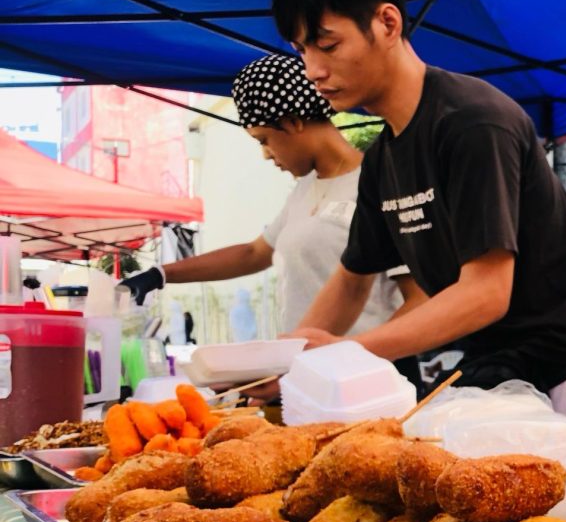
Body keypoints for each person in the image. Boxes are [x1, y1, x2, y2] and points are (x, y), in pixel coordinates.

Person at [271, 0, 566, 487]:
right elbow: (353, 280)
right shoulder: (382, 158)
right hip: (493, 378)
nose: (313, 70)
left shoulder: (472, 120)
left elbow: (486, 293)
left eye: (327, 46)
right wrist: (287, 365)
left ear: (387, 23)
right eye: (302, 51)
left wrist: (346, 353)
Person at [118, 54, 415, 384]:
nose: (265, 154)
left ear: (293, 122)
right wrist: (159, 274)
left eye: (263, 139)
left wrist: (355, 357)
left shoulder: (379, 184)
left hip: (368, 381)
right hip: (306, 376)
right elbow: (254, 253)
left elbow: (417, 302)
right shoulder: (304, 190)